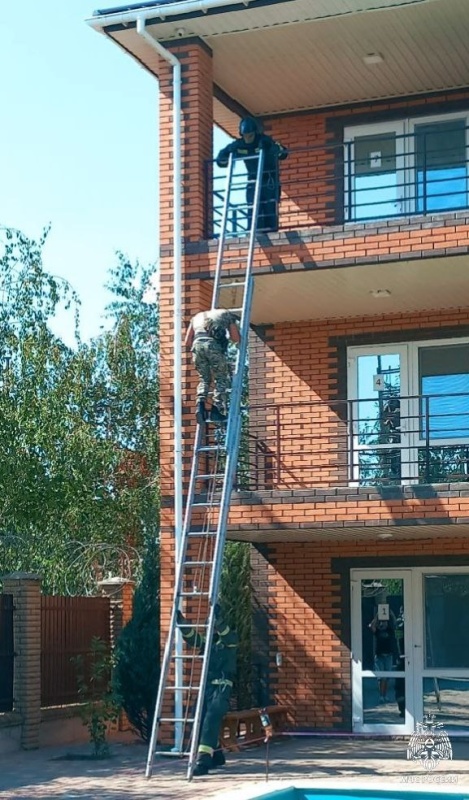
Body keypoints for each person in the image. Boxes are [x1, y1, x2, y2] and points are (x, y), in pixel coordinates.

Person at [177, 604, 238, 777]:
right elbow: (193, 639)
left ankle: (203, 762)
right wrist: (182, 623)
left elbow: (226, 634)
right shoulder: (208, 642)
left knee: (211, 719)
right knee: (198, 718)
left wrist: (218, 620)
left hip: (222, 688)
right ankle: (216, 754)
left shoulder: (230, 640)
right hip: (207, 688)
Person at [216, 117, 288, 232]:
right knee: (253, 206)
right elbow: (220, 161)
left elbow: (283, 153)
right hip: (253, 180)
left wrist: (270, 147)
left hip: (269, 181)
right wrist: (228, 152)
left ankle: (271, 233)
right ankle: (253, 232)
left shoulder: (264, 140)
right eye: (245, 136)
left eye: (250, 135)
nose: (248, 138)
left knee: (269, 208)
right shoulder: (239, 145)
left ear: (255, 133)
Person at [185, 308, 241, 425]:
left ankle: (200, 406)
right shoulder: (226, 314)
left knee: (204, 379)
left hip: (197, 346)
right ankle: (217, 410)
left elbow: (187, 341)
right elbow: (235, 338)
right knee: (221, 378)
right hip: (213, 346)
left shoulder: (196, 317)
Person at [369, 613, 397, 703]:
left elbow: (395, 622)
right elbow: (372, 626)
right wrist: (377, 615)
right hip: (380, 656)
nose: (383, 623)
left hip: (388, 656)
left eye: (385, 622)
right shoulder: (378, 631)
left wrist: (390, 613)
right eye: (382, 622)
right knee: (381, 678)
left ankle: (384, 695)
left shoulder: (390, 630)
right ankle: (381, 696)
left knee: (386, 678)